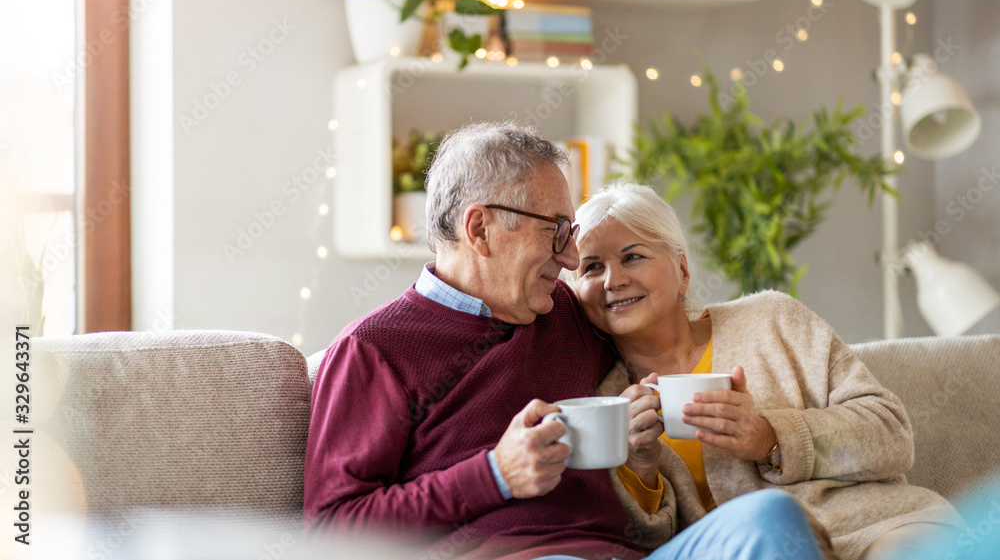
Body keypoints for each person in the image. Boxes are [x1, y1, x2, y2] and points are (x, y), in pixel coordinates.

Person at [304, 122, 828, 560]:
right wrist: (493, 475)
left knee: (770, 519)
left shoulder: (568, 315)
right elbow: (334, 532)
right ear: (481, 230)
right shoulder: (374, 350)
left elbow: (658, 319)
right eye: (556, 231)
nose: (573, 260)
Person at [570, 181, 963, 560]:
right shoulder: (605, 402)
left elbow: (890, 432)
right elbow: (648, 544)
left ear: (683, 271)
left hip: (875, 527)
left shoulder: (772, 319)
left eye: (632, 256)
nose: (613, 280)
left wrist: (769, 438)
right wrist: (640, 465)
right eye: (591, 267)